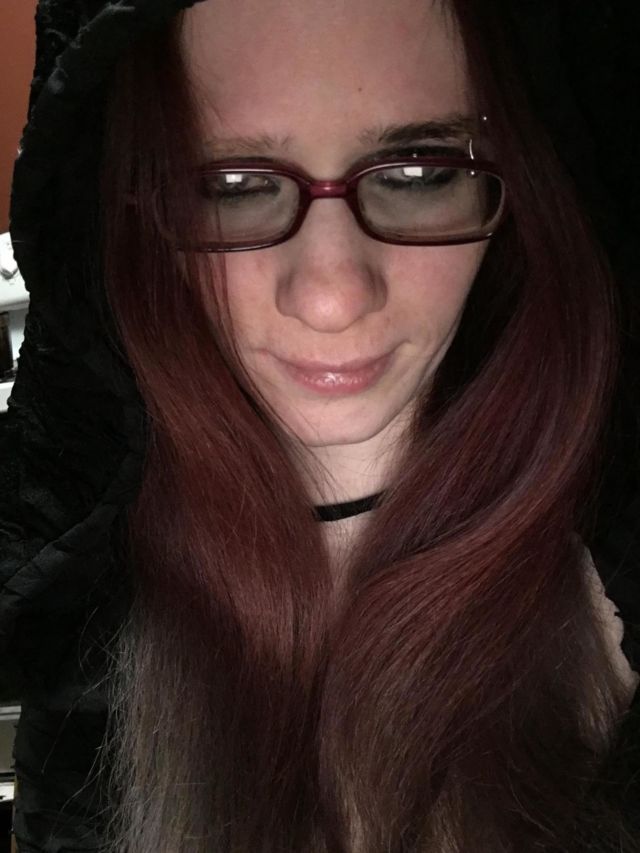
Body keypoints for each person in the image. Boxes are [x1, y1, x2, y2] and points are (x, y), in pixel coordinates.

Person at [1, 0, 639, 851]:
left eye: (419, 172)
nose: (333, 297)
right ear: (131, 215)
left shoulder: (612, 589)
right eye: (231, 186)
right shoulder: (80, 625)